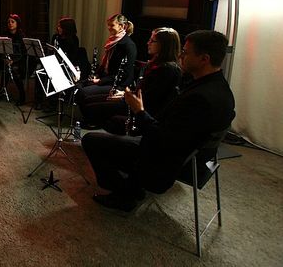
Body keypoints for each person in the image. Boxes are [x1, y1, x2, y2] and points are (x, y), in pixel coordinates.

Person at [82, 30, 236, 212]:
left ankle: (126, 194)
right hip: (188, 157)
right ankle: (131, 185)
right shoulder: (220, 88)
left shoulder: (199, 98)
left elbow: (161, 138)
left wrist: (139, 111)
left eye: (186, 52)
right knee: (115, 130)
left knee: (91, 140)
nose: (181, 56)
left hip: (164, 163)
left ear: (204, 59)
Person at [86, 27, 183, 132]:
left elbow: (149, 100)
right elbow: (143, 91)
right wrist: (125, 94)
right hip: (133, 104)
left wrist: (124, 97)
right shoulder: (155, 63)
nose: (148, 43)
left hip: (140, 112)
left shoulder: (167, 70)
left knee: (92, 108)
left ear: (164, 45)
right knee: (89, 102)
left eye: (152, 41)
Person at [75, 13, 137, 126]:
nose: (109, 28)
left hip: (118, 85)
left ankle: (93, 121)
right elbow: (106, 65)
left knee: (83, 92)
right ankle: (90, 117)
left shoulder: (128, 45)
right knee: (79, 85)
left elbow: (124, 74)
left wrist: (100, 81)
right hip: (108, 79)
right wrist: (97, 75)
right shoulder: (113, 42)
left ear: (122, 26)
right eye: (108, 25)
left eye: (112, 25)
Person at [0, 14, 27, 106]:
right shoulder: (5, 34)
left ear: (17, 23)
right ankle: (1, 92)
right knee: (6, 69)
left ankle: (22, 96)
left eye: (12, 22)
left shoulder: (21, 36)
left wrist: (13, 61)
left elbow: (23, 53)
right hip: (6, 60)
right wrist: (3, 57)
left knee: (13, 71)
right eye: (8, 22)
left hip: (18, 61)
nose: (10, 24)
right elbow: (1, 50)